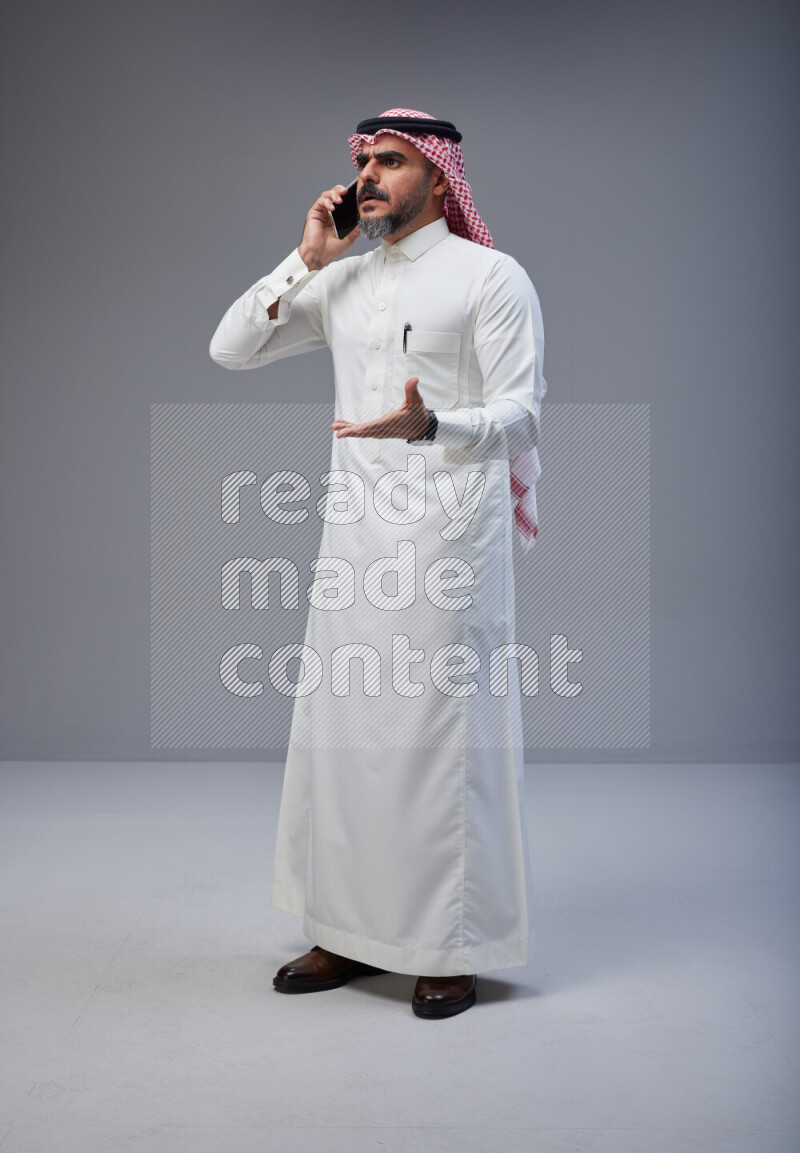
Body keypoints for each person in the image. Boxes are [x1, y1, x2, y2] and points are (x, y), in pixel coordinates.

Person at [209, 108, 546, 1019]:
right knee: (347, 734)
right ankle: (345, 932)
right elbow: (230, 347)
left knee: (434, 744)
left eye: (390, 161)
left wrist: (433, 425)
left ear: (440, 178)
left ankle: (447, 946)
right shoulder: (343, 282)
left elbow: (523, 413)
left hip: (448, 541)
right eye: (361, 161)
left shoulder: (491, 277)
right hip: (353, 543)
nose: (367, 177)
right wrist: (305, 260)